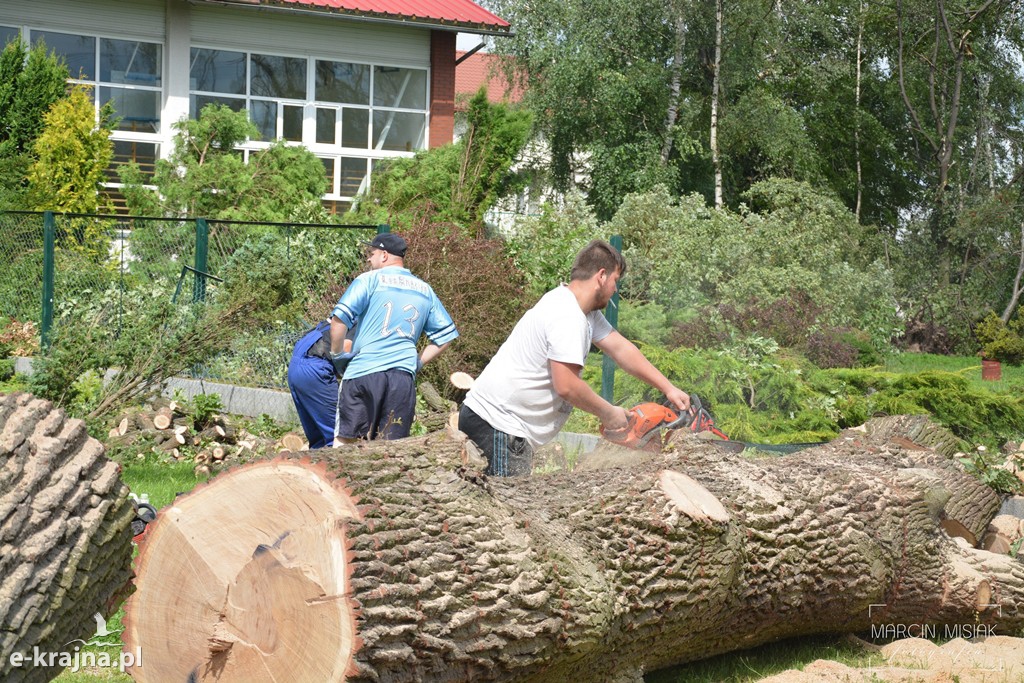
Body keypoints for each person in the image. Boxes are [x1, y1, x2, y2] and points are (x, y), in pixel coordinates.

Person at [459, 239, 690, 476]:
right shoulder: (567, 316)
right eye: (615, 281)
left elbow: (621, 349)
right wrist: (608, 413)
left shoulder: (580, 310)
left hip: (498, 424)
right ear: (601, 276)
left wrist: (668, 388)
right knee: (507, 508)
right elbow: (567, 386)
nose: (615, 290)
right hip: (498, 425)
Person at [329, 232, 458, 442]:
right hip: (402, 379)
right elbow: (445, 336)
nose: (368, 259)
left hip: (364, 372)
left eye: (371, 254)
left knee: (347, 443)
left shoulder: (368, 280)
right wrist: (416, 363)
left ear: (384, 255)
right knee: (390, 451)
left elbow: (339, 320)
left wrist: (336, 354)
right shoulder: (425, 290)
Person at [286, 320, 339, 449]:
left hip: (296, 363)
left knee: (318, 439)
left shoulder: (338, 316)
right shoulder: (362, 322)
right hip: (315, 367)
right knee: (338, 435)